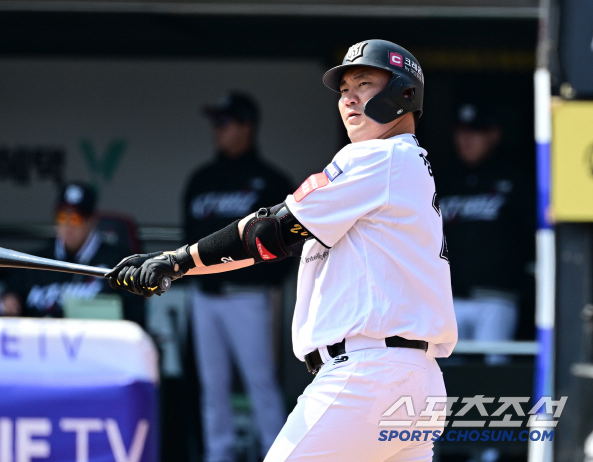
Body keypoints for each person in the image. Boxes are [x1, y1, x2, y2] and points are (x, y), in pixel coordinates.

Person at [108, 40, 457, 462]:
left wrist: (175, 261)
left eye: (363, 83)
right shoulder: (403, 164)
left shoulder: (376, 157)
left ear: (404, 94)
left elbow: (272, 231)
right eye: (344, 88)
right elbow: (279, 240)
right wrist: (175, 268)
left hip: (369, 375)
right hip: (414, 379)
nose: (348, 98)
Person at [181, 91, 293, 462]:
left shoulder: (271, 181)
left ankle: (276, 454)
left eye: (224, 122)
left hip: (249, 296)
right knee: (212, 386)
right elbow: (188, 239)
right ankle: (219, 454)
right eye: (215, 123)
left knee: (261, 382)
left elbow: (290, 244)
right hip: (205, 295)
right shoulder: (200, 179)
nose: (217, 130)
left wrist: (270, 284)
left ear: (247, 126)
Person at [437, 104, 535, 364]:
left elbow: (533, 236)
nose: (465, 140)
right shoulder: (443, 181)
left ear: (493, 135)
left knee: (495, 368)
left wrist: (521, 281)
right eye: (460, 133)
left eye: (475, 133)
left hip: (497, 297)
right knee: (447, 375)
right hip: (450, 298)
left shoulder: (514, 181)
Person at [0, 181, 146, 327]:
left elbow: (136, 322)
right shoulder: (33, 262)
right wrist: (4, 304)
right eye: (62, 217)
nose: (67, 226)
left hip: (97, 348)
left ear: (91, 221)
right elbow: (0, 306)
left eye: (75, 218)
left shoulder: (120, 264)